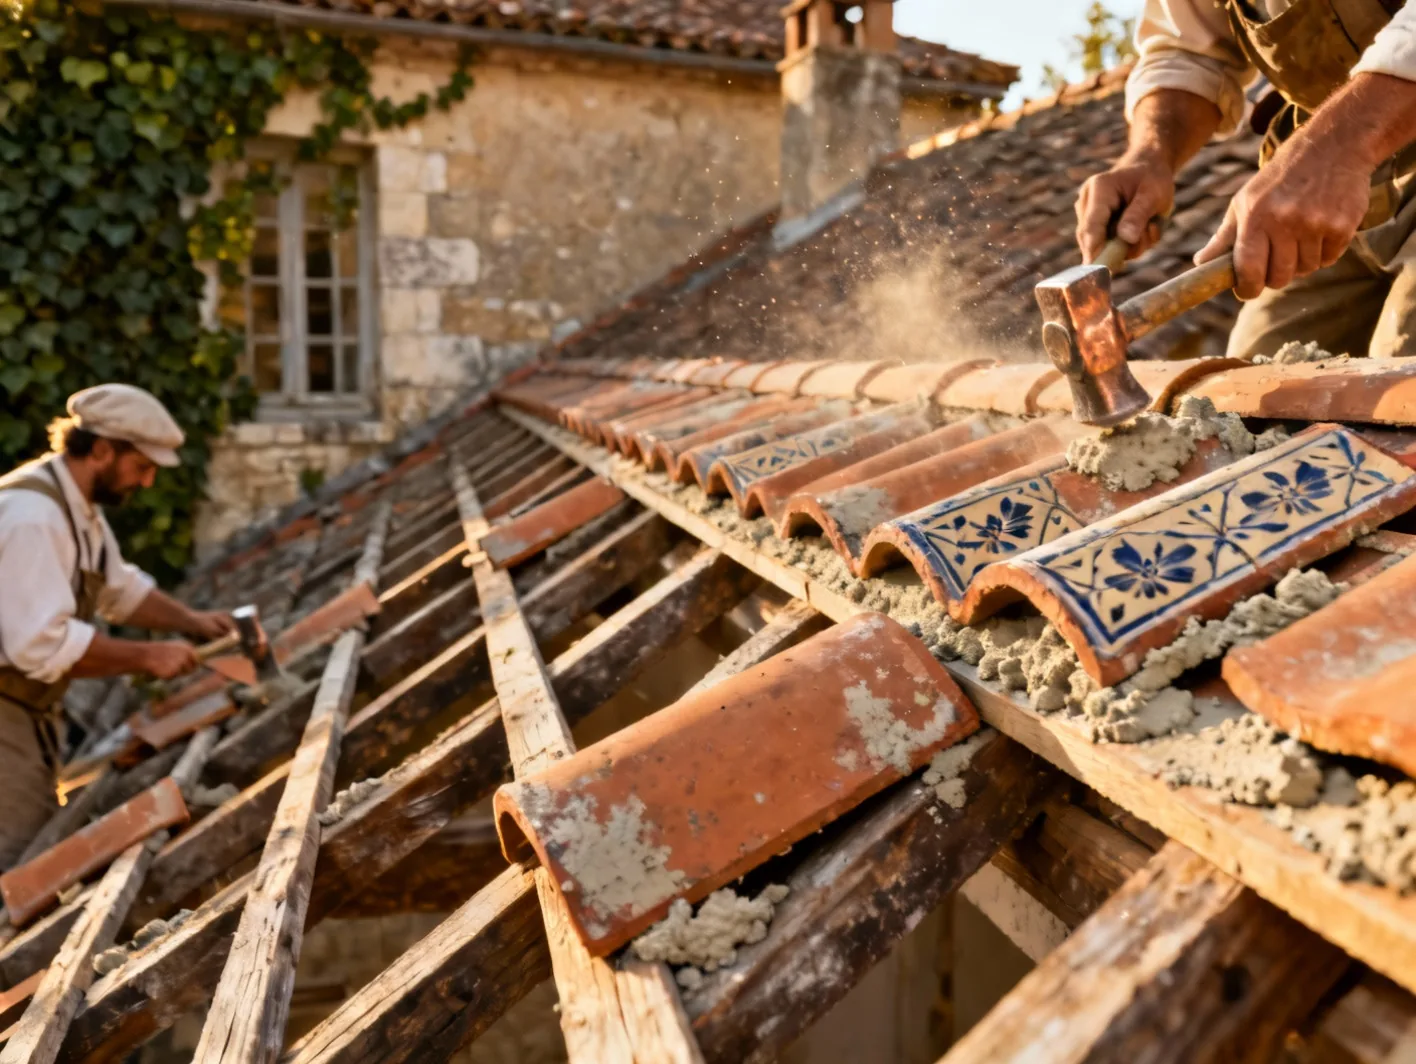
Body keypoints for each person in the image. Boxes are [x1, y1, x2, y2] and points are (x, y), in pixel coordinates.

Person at [1075, 0, 1416, 360]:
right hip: (1331, 196)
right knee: (1255, 380)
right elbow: (1188, 50)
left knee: (1401, 377)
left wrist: (1337, 148)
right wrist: (1150, 155)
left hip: (1350, 152)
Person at [0, 384, 235, 869]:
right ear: (102, 450)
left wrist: (192, 623)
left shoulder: (77, 511)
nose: (146, 482)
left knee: (33, 852)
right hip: (7, 711)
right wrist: (147, 656)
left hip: (29, 711)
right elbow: (39, 647)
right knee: (18, 863)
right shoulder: (33, 517)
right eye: (141, 467)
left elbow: (120, 590)